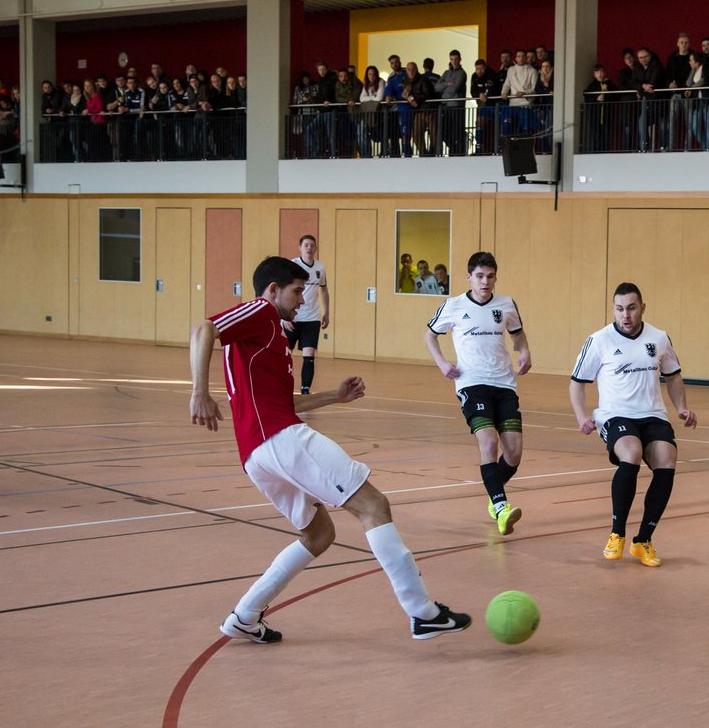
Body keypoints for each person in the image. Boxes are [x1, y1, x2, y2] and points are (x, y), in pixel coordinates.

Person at [190, 256, 470, 644]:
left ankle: (245, 615)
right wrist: (199, 392)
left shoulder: (268, 338)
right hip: (280, 439)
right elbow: (203, 328)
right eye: (296, 291)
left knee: (319, 534)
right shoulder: (262, 311)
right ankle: (423, 613)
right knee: (373, 505)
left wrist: (333, 397)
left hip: (257, 454)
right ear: (273, 289)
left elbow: (285, 403)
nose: (302, 300)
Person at [569, 282, 695, 567]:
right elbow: (577, 383)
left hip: (652, 414)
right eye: (619, 309)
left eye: (631, 308)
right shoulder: (599, 340)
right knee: (632, 452)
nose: (625, 315)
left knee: (667, 459)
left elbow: (673, 376)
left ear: (642, 308)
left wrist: (681, 408)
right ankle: (617, 533)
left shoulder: (659, 338)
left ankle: (643, 540)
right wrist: (581, 417)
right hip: (615, 415)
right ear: (613, 309)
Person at [424, 252, 531, 536]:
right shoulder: (454, 305)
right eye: (480, 276)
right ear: (469, 277)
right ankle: (501, 507)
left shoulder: (506, 304)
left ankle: (494, 493)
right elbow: (430, 335)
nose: (485, 282)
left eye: (490, 276)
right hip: (471, 384)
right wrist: (442, 363)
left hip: (504, 384)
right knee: (489, 441)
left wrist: (524, 351)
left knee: (514, 454)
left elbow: (517, 334)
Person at [280, 234, 329, 397]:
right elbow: (282, 290)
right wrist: (283, 317)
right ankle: (281, 387)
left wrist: (327, 312)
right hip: (293, 318)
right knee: (284, 354)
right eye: (306, 245)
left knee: (309, 355)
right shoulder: (292, 266)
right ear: (300, 248)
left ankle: (305, 390)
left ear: (316, 248)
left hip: (312, 318)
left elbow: (324, 290)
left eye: (312, 245)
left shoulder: (320, 267)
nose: (309, 248)